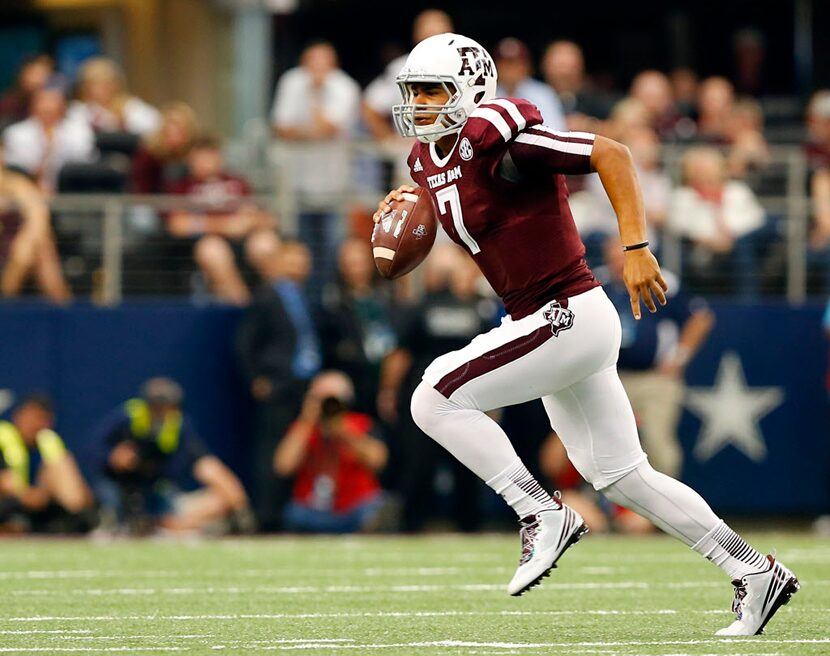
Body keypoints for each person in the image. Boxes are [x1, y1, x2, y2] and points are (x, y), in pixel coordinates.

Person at [375, 32, 798, 634]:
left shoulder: (500, 136)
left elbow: (613, 154)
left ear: (470, 91)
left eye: (431, 91)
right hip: (540, 321)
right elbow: (460, 206)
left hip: (565, 311)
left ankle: (537, 512)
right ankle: (755, 572)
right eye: (412, 93)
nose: (417, 105)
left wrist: (634, 245)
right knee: (624, 477)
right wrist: (402, 216)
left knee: (433, 396)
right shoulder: (424, 160)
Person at [378, 244, 497, 532]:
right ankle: (469, 525)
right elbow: (490, 359)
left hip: (426, 395)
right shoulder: (476, 311)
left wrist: (388, 392)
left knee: (419, 463)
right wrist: (493, 403)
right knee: (468, 463)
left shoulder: (419, 308)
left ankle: (413, 524)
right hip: (466, 397)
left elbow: (400, 356)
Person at [598, 235, 715, 478]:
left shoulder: (659, 279)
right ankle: (606, 507)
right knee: (606, 444)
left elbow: (701, 318)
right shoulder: (598, 284)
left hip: (655, 379)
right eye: (613, 259)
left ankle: (667, 509)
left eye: (622, 258)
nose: (618, 265)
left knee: (657, 442)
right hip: (611, 378)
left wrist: (678, 358)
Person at [91, 377, 253, 535]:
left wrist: (236, 502)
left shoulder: (179, 425)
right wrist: (113, 457)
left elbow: (199, 461)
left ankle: (165, 524)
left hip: (156, 488)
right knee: (113, 506)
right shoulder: (127, 417)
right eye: (158, 407)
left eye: (168, 407)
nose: (163, 413)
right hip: (120, 484)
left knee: (185, 502)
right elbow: (94, 449)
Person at [236, 235, 321, 530]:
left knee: (300, 449)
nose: (299, 264)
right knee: (271, 449)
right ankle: (267, 515)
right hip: (279, 383)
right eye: (293, 258)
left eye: (304, 259)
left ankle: (293, 513)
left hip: (304, 385)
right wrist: (257, 378)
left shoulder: (306, 297)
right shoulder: (267, 296)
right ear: (280, 260)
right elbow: (245, 342)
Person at [270, 40, 360, 306]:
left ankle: (331, 305)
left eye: (324, 63)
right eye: (313, 62)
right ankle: (301, 306)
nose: (317, 69)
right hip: (297, 185)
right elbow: (281, 127)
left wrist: (309, 124)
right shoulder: (291, 82)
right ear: (304, 62)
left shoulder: (345, 86)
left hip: (335, 187)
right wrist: (315, 131)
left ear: (332, 65)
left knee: (333, 251)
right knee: (299, 251)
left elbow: (330, 127)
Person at [165, 134, 274, 305]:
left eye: (210, 155)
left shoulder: (237, 182)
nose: (206, 162)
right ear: (190, 160)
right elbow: (177, 224)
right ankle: (244, 309)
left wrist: (249, 221)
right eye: (200, 157)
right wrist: (224, 226)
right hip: (207, 241)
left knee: (265, 244)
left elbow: (268, 219)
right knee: (213, 251)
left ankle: (275, 305)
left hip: (245, 237)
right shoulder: (182, 187)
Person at [274, 370, 388, 533]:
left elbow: (378, 461)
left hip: (354, 507)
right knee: (293, 513)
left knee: (376, 507)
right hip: (312, 509)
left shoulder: (361, 424)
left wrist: (343, 431)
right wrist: (307, 421)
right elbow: (283, 466)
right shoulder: (302, 429)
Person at [667, 146, 768, 298]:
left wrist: (731, 237)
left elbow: (756, 219)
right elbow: (679, 225)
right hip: (700, 248)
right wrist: (711, 239)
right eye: (700, 168)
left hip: (736, 244)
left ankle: (748, 303)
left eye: (710, 167)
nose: (705, 173)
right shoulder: (683, 196)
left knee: (745, 247)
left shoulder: (737, 190)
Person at [319, 237, 398, 415]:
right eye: (350, 263)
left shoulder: (387, 297)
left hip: (387, 378)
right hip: (355, 381)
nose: (357, 269)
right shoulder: (333, 303)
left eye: (360, 262)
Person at [0, 394, 94, 533]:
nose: (38, 425)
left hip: (36, 505)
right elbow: (6, 484)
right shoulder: (3, 436)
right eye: (33, 418)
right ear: (18, 416)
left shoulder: (49, 442)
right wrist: (32, 496)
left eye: (44, 419)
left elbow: (78, 494)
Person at [0, 147, 72, 302]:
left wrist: (24, 246)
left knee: (42, 248)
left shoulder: (17, 184)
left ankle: (62, 312)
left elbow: (38, 215)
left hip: (16, 250)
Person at [2, 82, 95, 194]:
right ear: (32, 105)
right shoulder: (15, 133)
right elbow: (18, 170)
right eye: (43, 101)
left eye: (53, 101)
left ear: (63, 105)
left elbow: (84, 161)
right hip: (26, 188)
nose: (48, 106)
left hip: (72, 188)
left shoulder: (79, 131)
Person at [67, 57, 160, 136]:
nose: (102, 89)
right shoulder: (78, 111)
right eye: (95, 84)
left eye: (107, 83)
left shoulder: (131, 106)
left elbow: (155, 127)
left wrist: (125, 122)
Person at [494, 37, 566, 130]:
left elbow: (556, 129)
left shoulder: (543, 94)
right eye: (506, 64)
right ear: (496, 67)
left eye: (516, 63)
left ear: (527, 66)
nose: (511, 69)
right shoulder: (487, 94)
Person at [0, 54, 56, 129]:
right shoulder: (8, 104)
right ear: (22, 75)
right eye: (34, 74)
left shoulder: (55, 105)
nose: (38, 80)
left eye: (43, 75)